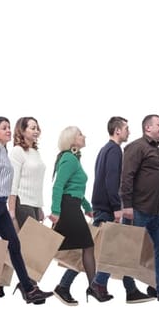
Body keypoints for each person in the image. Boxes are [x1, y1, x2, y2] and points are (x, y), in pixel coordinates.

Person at [0, 116, 52, 304]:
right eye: (4, 128)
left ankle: (29, 289)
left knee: (14, 245)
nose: (8, 130)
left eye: (9, 127)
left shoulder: (2, 151)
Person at [120, 115, 159, 303]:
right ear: (148, 128)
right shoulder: (136, 147)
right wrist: (128, 206)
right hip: (138, 209)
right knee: (128, 251)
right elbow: (126, 177)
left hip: (157, 213)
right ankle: (122, 288)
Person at [46, 127, 111, 305]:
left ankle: (71, 287)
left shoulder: (74, 159)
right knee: (86, 245)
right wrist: (55, 211)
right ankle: (92, 287)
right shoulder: (68, 158)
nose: (84, 136)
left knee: (85, 246)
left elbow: (76, 189)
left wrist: (87, 207)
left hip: (73, 206)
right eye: (80, 134)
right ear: (72, 139)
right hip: (67, 208)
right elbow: (58, 186)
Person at [9, 117, 45, 228]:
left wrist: (39, 207)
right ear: (22, 130)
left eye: (37, 128)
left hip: (35, 204)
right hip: (23, 203)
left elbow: (36, 183)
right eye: (33, 128)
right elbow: (13, 183)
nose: (36, 131)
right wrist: (11, 210)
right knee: (30, 243)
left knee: (33, 242)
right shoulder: (17, 151)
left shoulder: (35, 152)